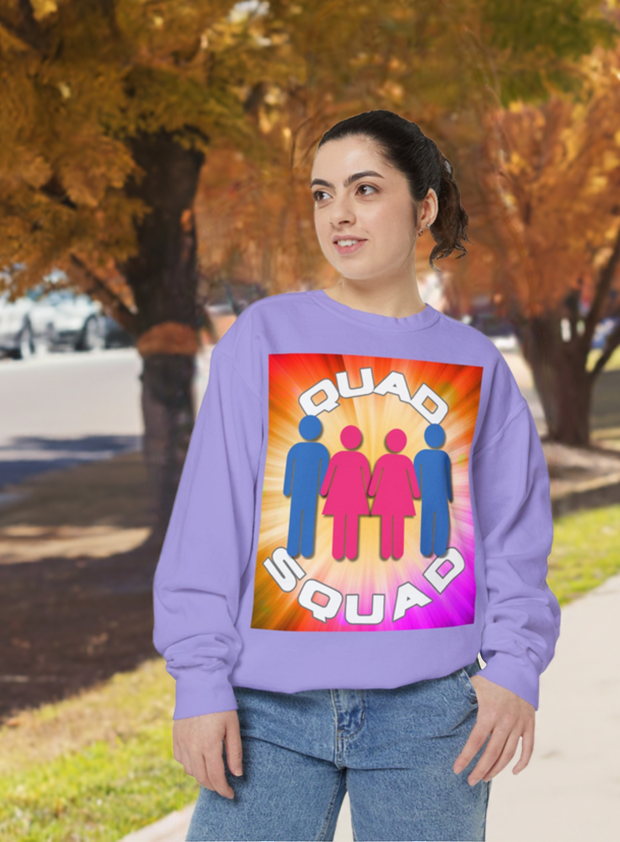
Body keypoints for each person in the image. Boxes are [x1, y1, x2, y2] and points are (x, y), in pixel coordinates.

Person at [153, 109, 561, 841]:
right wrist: (199, 680)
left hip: (431, 716)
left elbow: (514, 539)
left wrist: (513, 670)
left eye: (365, 189)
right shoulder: (266, 337)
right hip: (267, 712)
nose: (338, 213)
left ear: (424, 205)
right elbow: (210, 522)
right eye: (321, 194)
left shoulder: (475, 364)